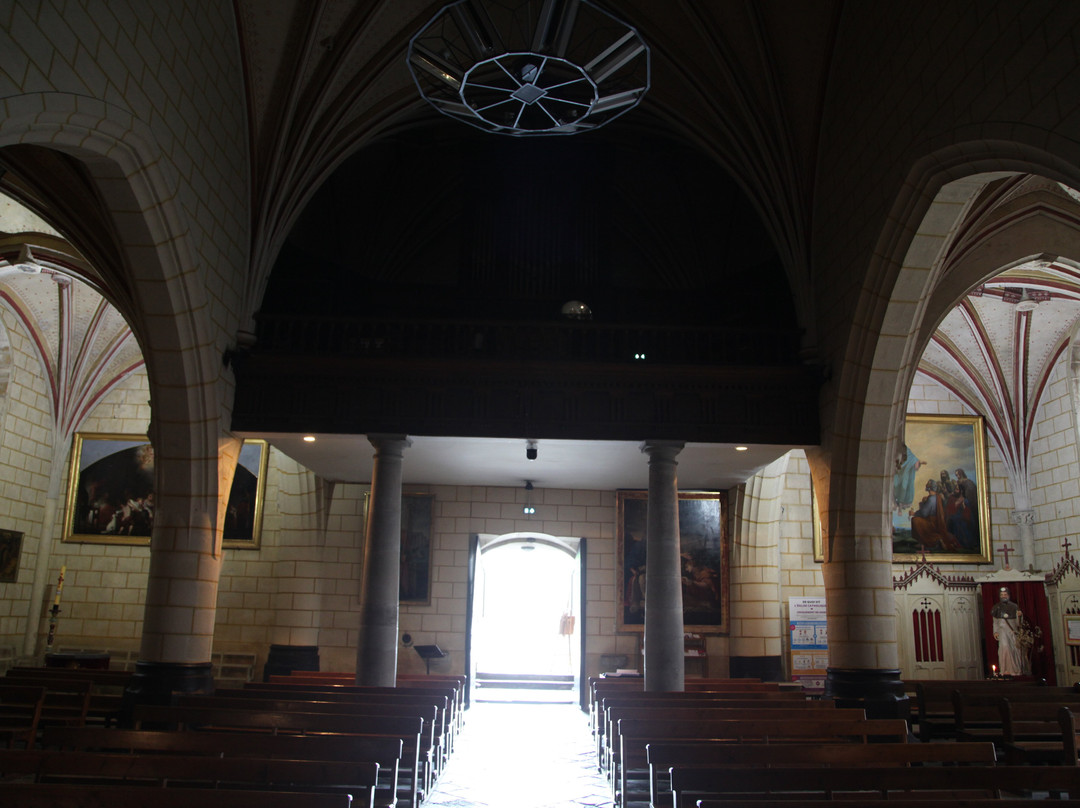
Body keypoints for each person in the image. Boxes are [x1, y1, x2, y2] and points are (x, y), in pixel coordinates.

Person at [991, 586, 1023, 676]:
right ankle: (1005, 670)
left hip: (1012, 632)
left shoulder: (1014, 606)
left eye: (1005, 594)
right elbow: (995, 622)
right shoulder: (996, 607)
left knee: (1014, 650)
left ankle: (1015, 670)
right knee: (1005, 648)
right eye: (1002, 595)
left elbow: (1018, 624)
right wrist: (995, 632)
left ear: (1008, 595)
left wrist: (1019, 616)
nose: (1003, 596)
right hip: (1002, 632)